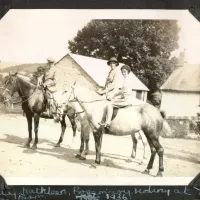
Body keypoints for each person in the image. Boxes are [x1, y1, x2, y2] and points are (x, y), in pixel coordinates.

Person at [99, 64, 135, 133]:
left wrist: (113, 96)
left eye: (124, 72)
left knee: (110, 104)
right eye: (122, 72)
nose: (123, 73)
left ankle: (108, 123)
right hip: (124, 98)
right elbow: (122, 92)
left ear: (128, 72)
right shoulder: (125, 79)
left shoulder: (127, 80)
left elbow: (123, 91)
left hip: (127, 100)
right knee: (111, 101)